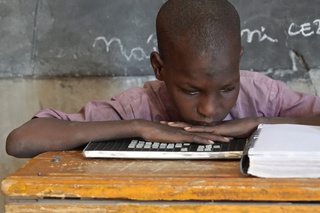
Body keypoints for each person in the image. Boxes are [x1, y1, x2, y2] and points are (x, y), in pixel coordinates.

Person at [6, 0, 320, 158]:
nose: (210, 109)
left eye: (227, 88)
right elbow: (20, 141)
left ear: (238, 61)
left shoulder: (261, 95)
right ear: (160, 68)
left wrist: (255, 122)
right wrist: (139, 127)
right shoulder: (138, 107)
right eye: (191, 90)